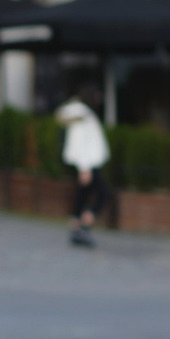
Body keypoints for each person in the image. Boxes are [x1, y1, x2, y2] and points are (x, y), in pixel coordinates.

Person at [56, 85, 111, 247]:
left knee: (82, 195)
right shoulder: (81, 115)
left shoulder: (83, 114)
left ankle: (77, 228)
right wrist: (84, 167)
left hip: (87, 164)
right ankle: (83, 226)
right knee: (101, 193)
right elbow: (80, 142)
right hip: (87, 165)